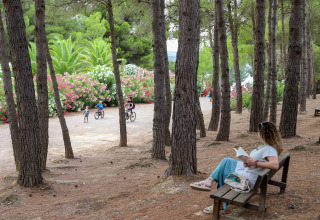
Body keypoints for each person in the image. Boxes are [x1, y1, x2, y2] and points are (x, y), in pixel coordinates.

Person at [190, 121, 282, 213]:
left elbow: (275, 165)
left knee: (223, 172)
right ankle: (209, 182)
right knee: (226, 161)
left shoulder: (269, 149)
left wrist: (255, 163)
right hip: (249, 171)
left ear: (263, 133)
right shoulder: (267, 147)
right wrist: (247, 162)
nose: (257, 133)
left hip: (248, 180)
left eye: (259, 132)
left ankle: (217, 200)